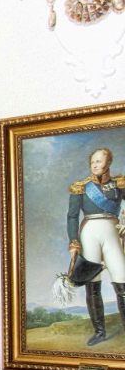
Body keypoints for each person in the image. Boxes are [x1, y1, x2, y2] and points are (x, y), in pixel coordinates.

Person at [67, 148, 125, 346]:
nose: (94, 165)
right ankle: (99, 331)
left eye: (99, 161)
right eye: (92, 161)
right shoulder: (81, 188)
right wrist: (74, 242)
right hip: (89, 235)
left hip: (112, 234)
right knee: (93, 284)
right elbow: (72, 217)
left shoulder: (119, 184)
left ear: (108, 163)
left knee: (122, 281)